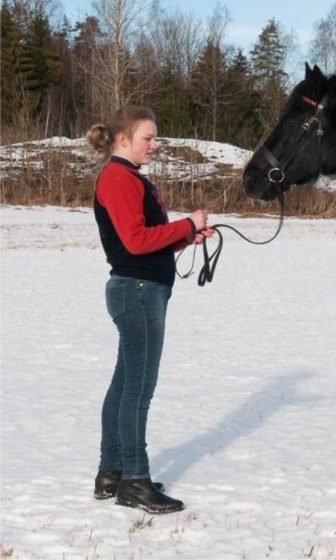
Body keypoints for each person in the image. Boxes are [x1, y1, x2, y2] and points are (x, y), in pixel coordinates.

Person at [86, 107, 213, 514]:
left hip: (138, 289)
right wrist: (187, 224)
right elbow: (137, 241)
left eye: (155, 138)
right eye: (148, 138)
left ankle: (113, 473)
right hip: (138, 293)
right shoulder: (119, 178)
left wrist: (185, 237)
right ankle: (135, 480)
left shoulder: (126, 178)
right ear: (123, 139)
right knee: (138, 389)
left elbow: (140, 242)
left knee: (125, 385)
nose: (155, 145)